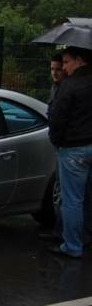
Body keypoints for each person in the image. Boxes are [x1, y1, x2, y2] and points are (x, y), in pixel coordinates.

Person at [47, 46, 92, 259]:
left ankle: (72, 245)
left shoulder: (69, 85)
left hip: (73, 148)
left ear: (79, 60)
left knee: (72, 199)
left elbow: (58, 117)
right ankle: (86, 235)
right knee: (88, 196)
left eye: (66, 62)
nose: (64, 67)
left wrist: (57, 141)